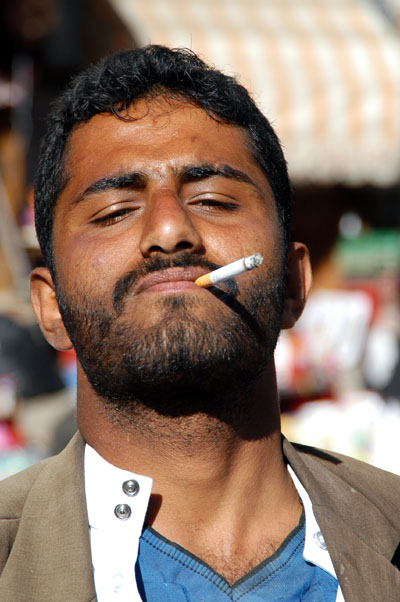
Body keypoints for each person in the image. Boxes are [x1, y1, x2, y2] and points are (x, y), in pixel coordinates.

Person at [0, 45, 399, 602]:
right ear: (51, 308)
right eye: (115, 212)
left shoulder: (389, 530)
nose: (170, 229)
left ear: (290, 284)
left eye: (212, 199)